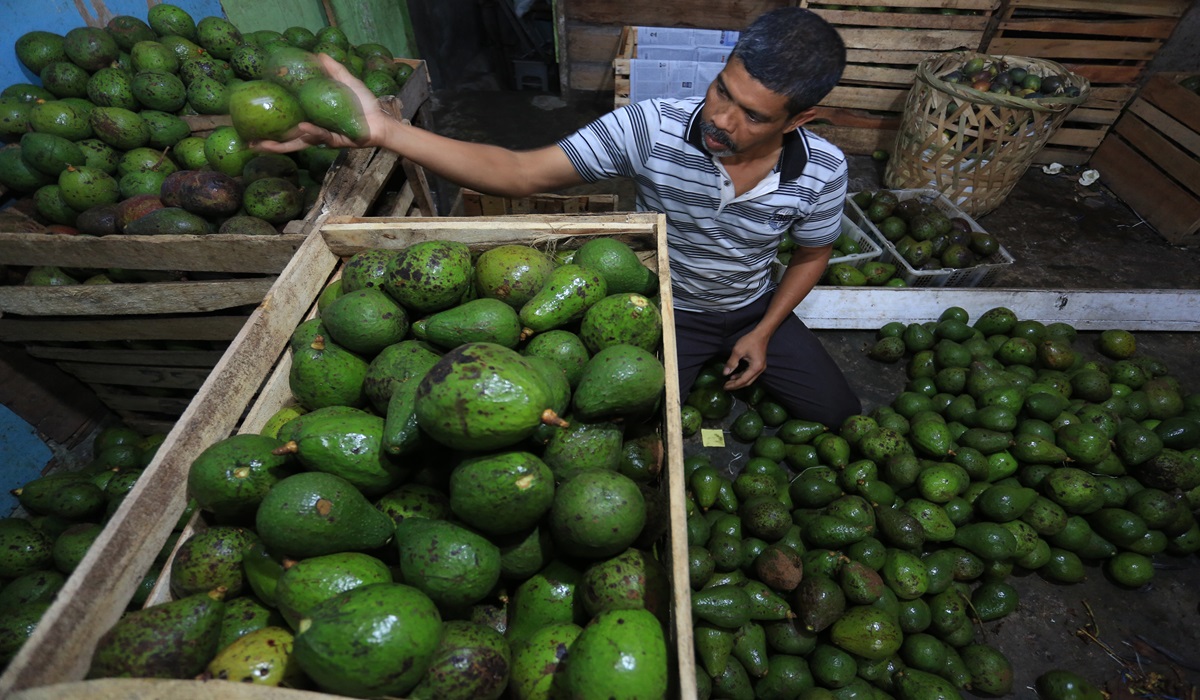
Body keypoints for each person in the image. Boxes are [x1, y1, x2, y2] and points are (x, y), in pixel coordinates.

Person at [257, 7, 862, 427]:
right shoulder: (650, 127)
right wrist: (385, 130)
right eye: (721, 90)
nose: (721, 119)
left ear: (798, 121)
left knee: (839, 414)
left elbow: (812, 254)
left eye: (752, 115)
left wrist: (761, 329)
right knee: (621, 419)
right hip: (662, 306)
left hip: (751, 307)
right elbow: (518, 172)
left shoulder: (824, 170)